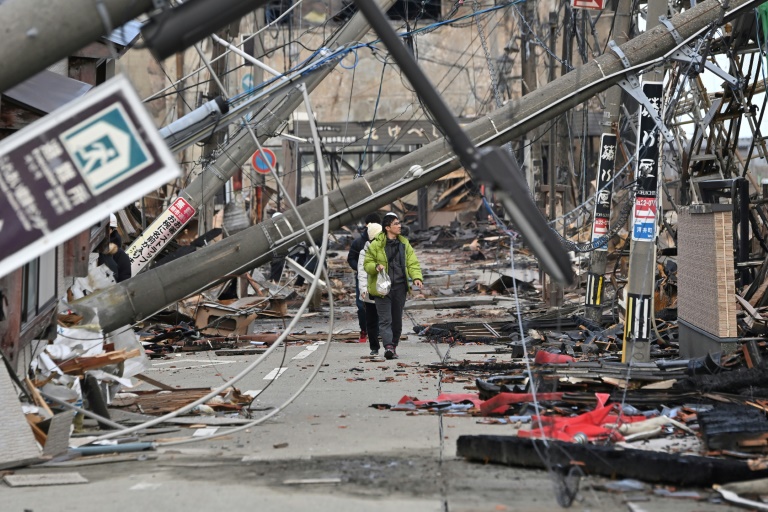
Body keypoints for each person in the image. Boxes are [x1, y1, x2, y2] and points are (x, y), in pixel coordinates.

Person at [364, 214, 423, 360]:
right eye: (396, 224)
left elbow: (412, 263)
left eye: (399, 223)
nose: (399, 226)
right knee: (385, 320)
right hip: (382, 288)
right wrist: (375, 267)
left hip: (400, 287)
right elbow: (367, 264)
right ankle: (388, 347)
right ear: (387, 227)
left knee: (396, 320)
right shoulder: (376, 245)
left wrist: (416, 277)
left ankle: (394, 346)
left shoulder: (404, 244)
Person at [347, 212, 382, 344]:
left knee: (378, 305)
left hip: (378, 278)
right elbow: (351, 258)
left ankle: (376, 332)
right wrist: (360, 268)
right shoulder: (358, 242)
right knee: (362, 306)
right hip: (362, 278)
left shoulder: (383, 241)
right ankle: (364, 329)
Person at [356, 222, 382, 355]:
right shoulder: (364, 252)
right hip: (370, 291)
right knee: (371, 319)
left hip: (384, 289)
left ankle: (390, 345)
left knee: (387, 318)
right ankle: (374, 347)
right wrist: (363, 289)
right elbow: (362, 273)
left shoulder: (386, 249)